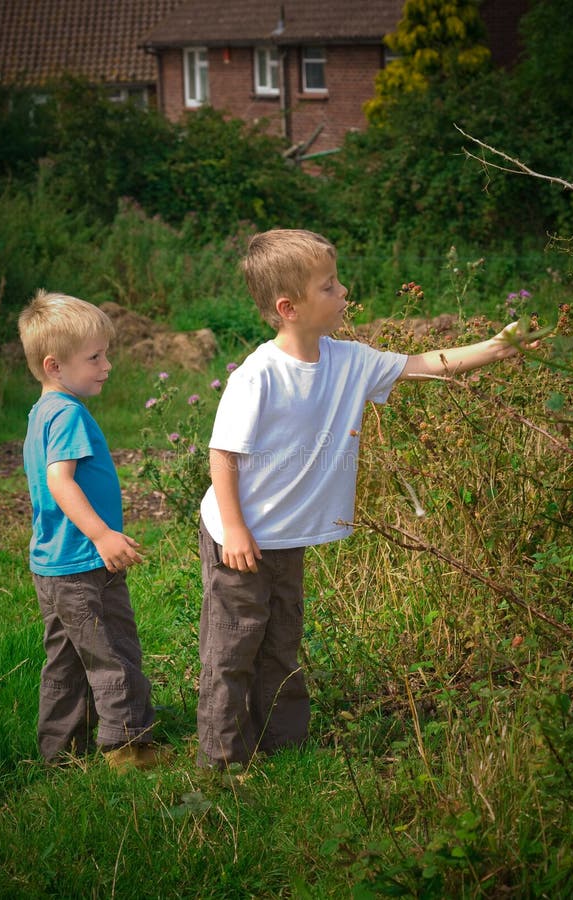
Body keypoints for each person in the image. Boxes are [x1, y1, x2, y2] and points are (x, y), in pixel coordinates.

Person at [197, 228, 534, 769]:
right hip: (238, 535)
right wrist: (235, 530)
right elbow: (223, 456)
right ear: (289, 307)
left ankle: (284, 747)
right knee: (234, 647)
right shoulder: (258, 376)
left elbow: (425, 363)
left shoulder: (350, 361)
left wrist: (497, 347)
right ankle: (223, 760)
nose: (344, 292)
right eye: (329, 286)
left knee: (282, 644)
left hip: (288, 537)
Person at [18, 290, 171, 773]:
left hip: (54, 565)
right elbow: (60, 481)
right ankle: (130, 752)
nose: (107, 365)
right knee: (115, 656)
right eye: (95, 357)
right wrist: (102, 535)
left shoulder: (41, 412)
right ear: (54, 365)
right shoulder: (68, 414)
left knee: (65, 664)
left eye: (106, 353)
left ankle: (59, 754)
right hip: (85, 563)